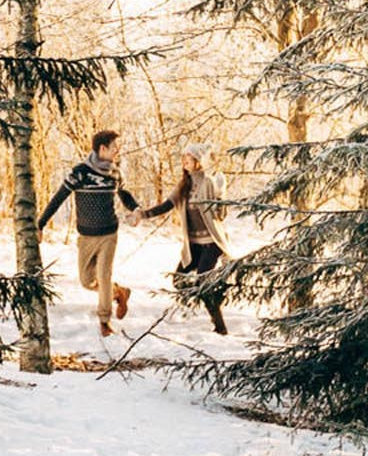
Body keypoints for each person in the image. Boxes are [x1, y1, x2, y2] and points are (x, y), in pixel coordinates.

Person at [38, 128, 141, 337]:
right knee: (87, 281)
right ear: (102, 148)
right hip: (86, 236)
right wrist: (40, 224)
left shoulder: (115, 172)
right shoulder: (80, 173)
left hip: (109, 234)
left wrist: (136, 210)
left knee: (104, 275)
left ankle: (104, 320)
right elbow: (58, 198)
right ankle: (119, 292)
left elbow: (125, 195)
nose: (117, 151)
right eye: (114, 147)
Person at [138, 141, 231, 334]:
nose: (185, 161)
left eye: (189, 157)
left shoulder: (209, 181)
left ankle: (220, 326)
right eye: (184, 157)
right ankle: (216, 292)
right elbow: (166, 206)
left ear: (198, 161)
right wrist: (142, 215)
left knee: (202, 283)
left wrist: (221, 196)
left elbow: (221, 215)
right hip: (194, 246)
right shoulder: (184, 185)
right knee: (179, 281)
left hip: (212, 243)